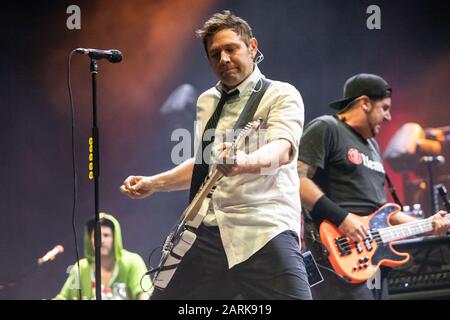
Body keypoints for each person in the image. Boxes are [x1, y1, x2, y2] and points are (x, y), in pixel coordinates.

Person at [120, 10, 311, 300]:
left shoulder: (282, 95)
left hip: (263, 229)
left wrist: (241, 162)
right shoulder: (206, 102)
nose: (223, 59)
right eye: (215, 54)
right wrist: (153, 183)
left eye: (231, 49)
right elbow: (204, 164)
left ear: (252, 47)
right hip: (208, 230)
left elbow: (283, 149)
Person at [297, 73, 450, 299]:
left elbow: (381, 210)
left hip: (371, 261)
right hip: (335, 256)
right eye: (385, 107)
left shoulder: (373, 146)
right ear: (365, 103)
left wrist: (428, 224)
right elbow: (297, 180)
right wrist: (342, 219)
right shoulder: (326, 127)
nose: (388, 117)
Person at [55, 212, 152, 300]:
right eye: (96, 235)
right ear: (90, 240)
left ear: (115, 238)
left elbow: (144, 294)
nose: (101, 240)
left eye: (106, 235)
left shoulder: (133, 261)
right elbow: (63, 297)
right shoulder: (80, 268)